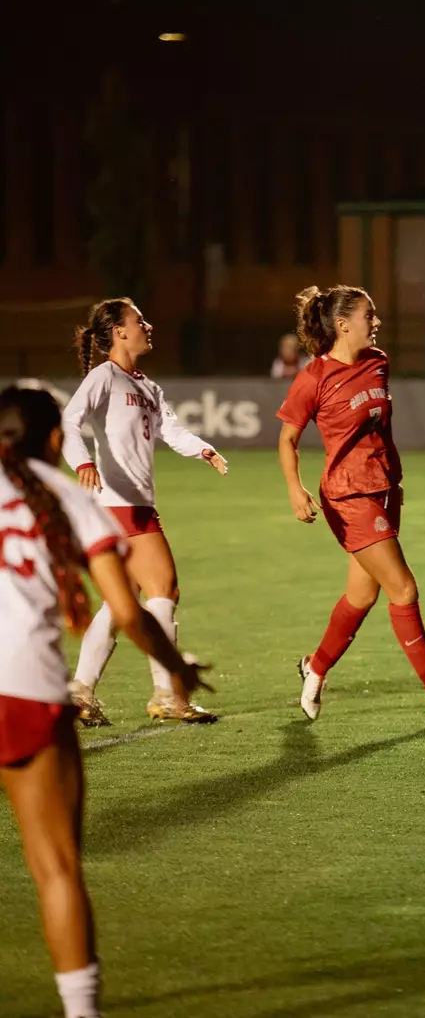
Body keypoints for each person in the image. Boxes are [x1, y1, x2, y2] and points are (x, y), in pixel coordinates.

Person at [0, 384, 212, 1018]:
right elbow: (127, 609)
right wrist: (176, 669)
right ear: (56, 440)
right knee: (57, 870)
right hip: (26, 693)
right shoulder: (69, 496)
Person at [276, 284, 425, 725]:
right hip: (348, 496)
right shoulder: (313, 378)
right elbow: (288, 438)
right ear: (343, 324)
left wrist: (392, 481)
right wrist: (295, 488)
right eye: (369, 315)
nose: (377, 322)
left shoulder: (378, 362)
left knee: (362, 594)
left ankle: (316, 667)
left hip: (385, 490)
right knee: (403, 589)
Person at [61, 297, 227, 726]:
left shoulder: (147, 386)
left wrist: (203, 449)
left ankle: (80, 691)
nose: (148, 325)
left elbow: (172, 430)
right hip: (120, 505)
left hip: (131, 505)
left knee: (121, 603)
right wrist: (82, 462)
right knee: (163, 588)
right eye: (139, 320)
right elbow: (69, 421)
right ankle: (168, 694)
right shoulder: (104, 376)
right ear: (119, 332)